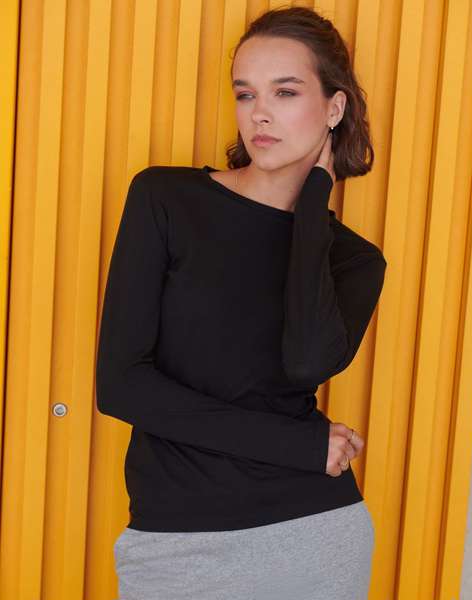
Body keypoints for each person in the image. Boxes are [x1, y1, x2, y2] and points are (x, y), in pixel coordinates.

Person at [96, 6, 387, 600]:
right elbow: (122, 386)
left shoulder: (355, 261)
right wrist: (298, 445)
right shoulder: (166, 199)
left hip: (314, 533)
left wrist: (314, 204)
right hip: (177, 542)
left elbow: (305, 361)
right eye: (245, 93)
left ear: (334, 108)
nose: (260, 113)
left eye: (286, 92)